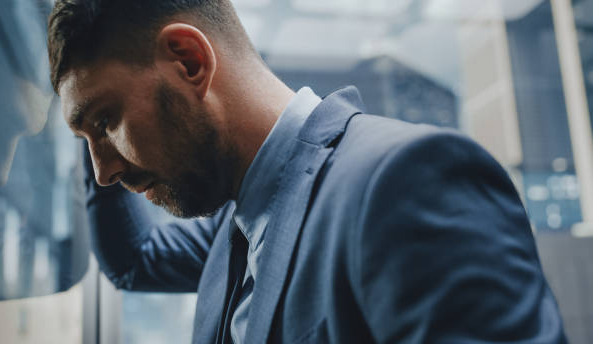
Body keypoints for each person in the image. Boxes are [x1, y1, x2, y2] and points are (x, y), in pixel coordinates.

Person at [47, 0, 566, 343]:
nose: (102, 172)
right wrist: (91, 125)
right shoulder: (235, 229)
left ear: (188, 62)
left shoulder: (406, 183)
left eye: (106, 121)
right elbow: (133, 262)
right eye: (87, 140)